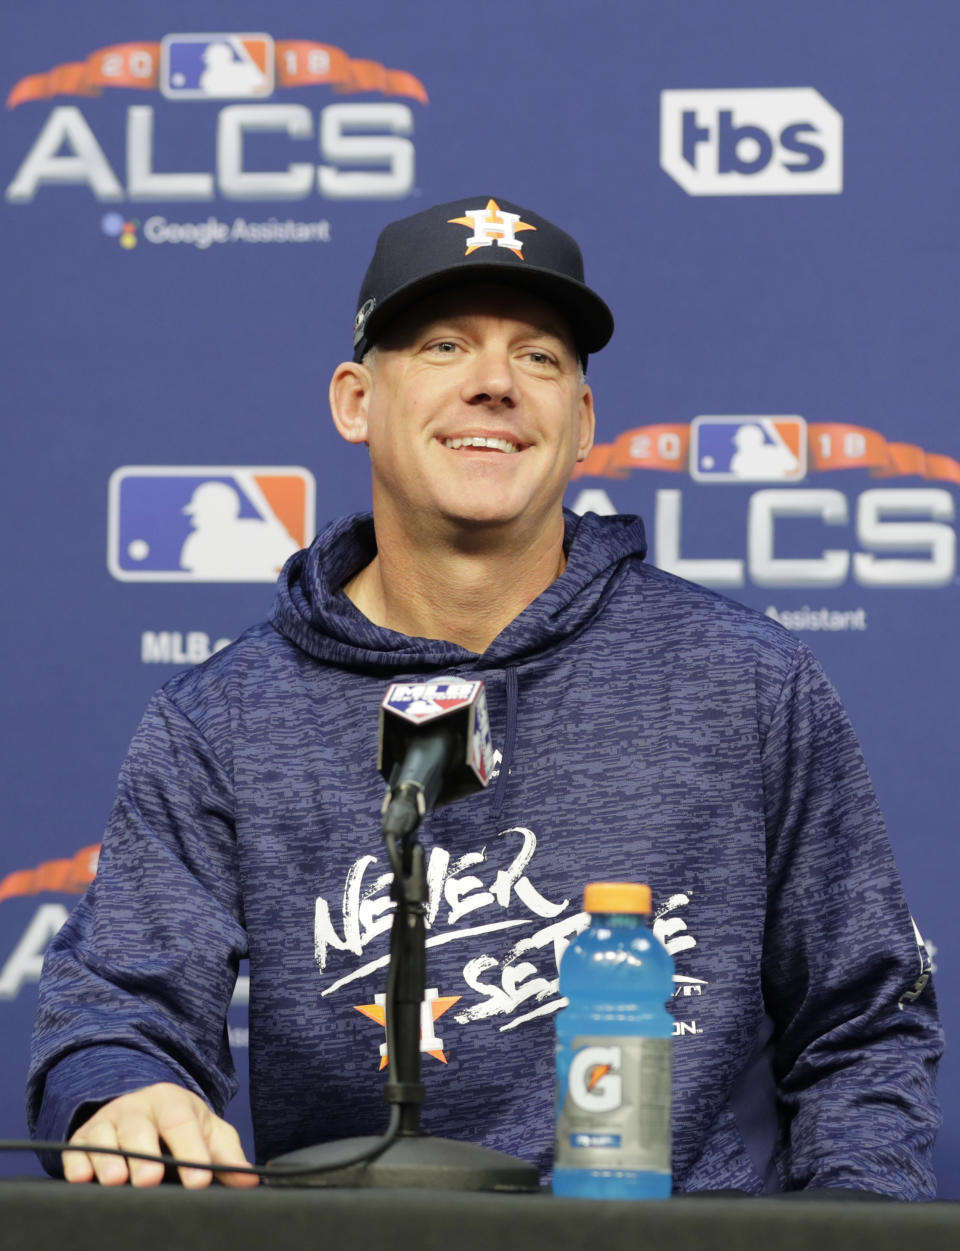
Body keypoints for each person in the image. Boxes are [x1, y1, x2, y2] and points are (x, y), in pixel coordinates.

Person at [28, 197, 942, 1195]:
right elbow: (118, 1004)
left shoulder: (748, 681)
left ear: (583, 421)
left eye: (540, 356)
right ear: (354, 401)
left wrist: (855, 1218)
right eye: (444, 345)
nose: (496, 383)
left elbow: (866, 1023)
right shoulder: (229, 717)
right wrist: (121, 1089)